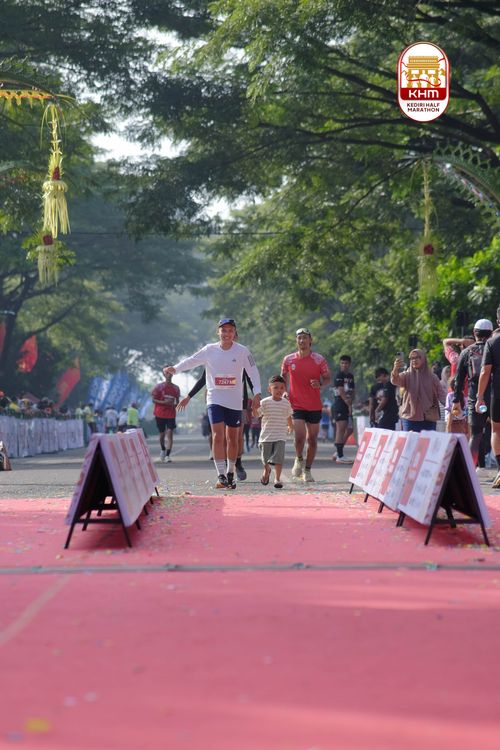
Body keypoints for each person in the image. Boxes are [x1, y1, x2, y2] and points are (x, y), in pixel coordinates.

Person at [166, 318, 261, 490]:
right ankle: (221, 475)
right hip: (215, 398)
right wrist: (176, 368)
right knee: (218, 435)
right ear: (218, 332)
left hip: (234, 400)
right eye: (223, 330)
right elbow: (192, 360)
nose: (227, 334)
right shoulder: (209, 350)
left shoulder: (242, 351)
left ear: (235, 333)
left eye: (230, 330)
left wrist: (257, 393)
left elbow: (253, 372)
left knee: (233, 438)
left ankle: (231, 472)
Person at [177, 367, 253, 480]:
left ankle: (238, 463)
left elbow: (247, 383)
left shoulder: (240, 359)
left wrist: (247, 405)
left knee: (237, 437)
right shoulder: (212, 359)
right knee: (221, 437)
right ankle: (225, 470)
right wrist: (189, 396)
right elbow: (203, 380)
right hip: (218, 403)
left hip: (237, 403)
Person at [281, 327, 331, 482]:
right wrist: (284, 391)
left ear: (310, 340)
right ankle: (299, 458)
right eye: (299, 338)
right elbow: (283, 377)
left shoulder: (319, 359)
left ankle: (307, 470)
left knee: (312, 440)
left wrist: (320, 384)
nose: (302, 340)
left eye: (305, 337)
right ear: (296, 341)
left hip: (314, 405)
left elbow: (327, 378)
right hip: (296, 404)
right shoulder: (289, 359)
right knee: (299, 436)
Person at [451, 319, 493, 465]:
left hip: (475, 399)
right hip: (495, 397)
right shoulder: (495, 348)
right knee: (497, 432)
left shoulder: (466, 352)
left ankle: (469, 469)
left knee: (475, 436)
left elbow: (458, 380)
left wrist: (456, 400)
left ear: (474, 333)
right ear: (490, 333)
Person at [391, 349, 446, 432]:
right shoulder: (407, 375)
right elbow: (395, 380)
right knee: (410, 440)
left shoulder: (432, 377)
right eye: (412, 358)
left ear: (423, 359)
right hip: (410, 417)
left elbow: (441, 395)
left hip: (428, 418)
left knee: (428, 440)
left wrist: (452, 406)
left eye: (417, 357)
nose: (414, 360)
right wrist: (395, 369)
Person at [476, 306, 500, 488]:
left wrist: (479, 397)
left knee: (496, 430)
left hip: (498, 392)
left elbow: (485, 371)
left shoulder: (492, 343)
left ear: (498, 321)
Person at [258, 375, 294, 489]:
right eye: (276, 387)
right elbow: (257, 414)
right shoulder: (264, 402)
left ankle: (277, 479)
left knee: (279, 458)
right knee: (265, 459)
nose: (279, 390)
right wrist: (254, 408)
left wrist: (290, 426)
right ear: (269, 389)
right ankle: (267, 469)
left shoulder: (286, 403)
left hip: (280, 435)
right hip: (266, 436)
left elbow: (288, 415)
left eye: (282, 388)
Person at [151, 367, 180, 462]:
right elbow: (153, 400)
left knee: (170, 433)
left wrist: (175, 405)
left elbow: (177, 402)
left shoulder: (176, 388)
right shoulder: (158, 387)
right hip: (160, 413)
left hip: (171, 414)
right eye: (167, 373)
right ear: (164, 374)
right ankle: (163, 449)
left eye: (170, 373)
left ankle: (168, 455)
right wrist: (164, 403)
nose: (169, 374)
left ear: (173, 374)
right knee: (162, 434)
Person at [331, 354, 355, 463]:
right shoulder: (339, 375)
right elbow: (340, 390)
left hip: (348, 405)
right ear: (340, 364)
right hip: (340, 404)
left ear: (349, 364)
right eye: (342, 363)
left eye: (346, 363)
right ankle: (340, 455)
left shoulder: (350, 376)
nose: (344, 365)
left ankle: (338, 451)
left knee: (350, 428)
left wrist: (350, 403)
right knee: (341, 428)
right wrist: (346, 401)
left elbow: (353, 390)